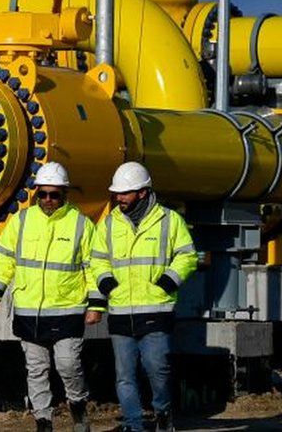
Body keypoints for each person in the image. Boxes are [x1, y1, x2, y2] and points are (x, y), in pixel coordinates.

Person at [0, 162, 104, 432]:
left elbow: (94, 268)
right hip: (28, 311)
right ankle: (43, 421)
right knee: (36, 369)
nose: (48, 200)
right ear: (36, 192)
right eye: (44, 194)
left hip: (68, 309)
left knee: (68, 364)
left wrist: (96, 305)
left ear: (64, 194)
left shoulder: (82, 225)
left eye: (55, 194)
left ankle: (78, 407)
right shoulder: (22, 221)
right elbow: (4, 258)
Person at [90, 162, 198, 432]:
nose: (119, 198)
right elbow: (97, 259)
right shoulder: (108, 224)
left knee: (157, 369)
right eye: (117, 193)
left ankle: (163, 413)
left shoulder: (169, 220)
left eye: (125, 193)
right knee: (124, 377)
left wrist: (169, 280)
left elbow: (187, 254)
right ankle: (133, 425)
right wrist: (106, 282)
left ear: (142, 192)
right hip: (120, 310)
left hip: (156, 308)